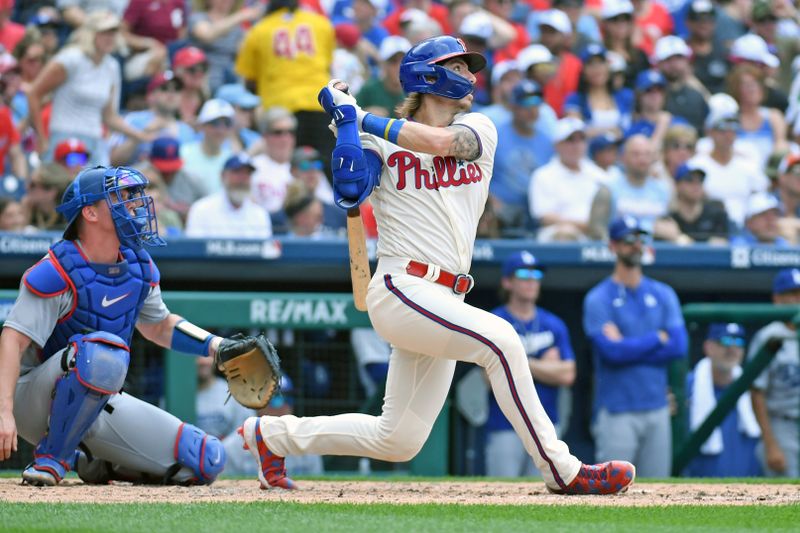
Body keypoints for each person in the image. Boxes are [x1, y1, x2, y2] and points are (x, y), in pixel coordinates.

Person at [236, 35, 635, 495]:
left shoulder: (480, 126)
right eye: (460, 67)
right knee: (502, 341)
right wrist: (347, 129)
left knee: (399, 438)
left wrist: (360, 115)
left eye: (470, 69)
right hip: (403, 285)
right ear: (428, 76)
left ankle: (272, 437)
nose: (471, 77)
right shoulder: (379, 142)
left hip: (446, 295)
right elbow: (349, 189)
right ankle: (562, 470)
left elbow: (444, 143)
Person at [0, 165, 229, 486]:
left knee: (204, 459)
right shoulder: (58, 268)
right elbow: (12, 341)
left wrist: (217, 346)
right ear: (90, 213)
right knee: (101, 352)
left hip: (98, 401)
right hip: (34, 400)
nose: (135, 204)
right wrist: (4, 412)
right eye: (122, 197)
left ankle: (94, 463)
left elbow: (159, 326)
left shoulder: (138, 264)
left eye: (135, 195)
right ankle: (51, 459)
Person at [583, 215, 687, 478]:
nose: (636, 245)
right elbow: (612, 353)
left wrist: (629, 345)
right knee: (611, 490)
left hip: (657, 407)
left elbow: (678, 347)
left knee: (658, 493)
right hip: (617, 409)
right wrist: (655, 339)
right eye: (629, 240)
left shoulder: (663, 293)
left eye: (641, 239)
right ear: (613, 246)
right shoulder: (598, 297)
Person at [484, 252, 576, 477]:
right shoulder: (495, 322)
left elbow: (567, 374)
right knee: (500, 494)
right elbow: (488, 378)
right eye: (524, 274)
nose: (531, 281)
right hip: (504, 425)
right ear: (508, 281)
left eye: (536, 275)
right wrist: (543, 365)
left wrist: (516, 362)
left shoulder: (553, 323)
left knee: (545, 494)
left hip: (546, 425)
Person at [27, 11, 151, 166]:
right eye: (104, 32)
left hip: (96, 141)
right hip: (66, 139)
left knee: (102, 186)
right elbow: (34, 93)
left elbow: (109, 116)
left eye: (113, 32)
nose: (110, 37)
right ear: (91, 34)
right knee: (71, 187)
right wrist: (41, 138)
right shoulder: (70, 59)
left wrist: (140, 135)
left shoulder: (111, 66)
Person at [235, 0, 335, 169]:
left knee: (285, 169)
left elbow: (249, 79)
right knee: (326, 169)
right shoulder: (320, 23)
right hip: (319, 104)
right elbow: (327, 65)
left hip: (280, 110)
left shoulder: (259, 30)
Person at [684, 323, 762, 477]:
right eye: (725, 341)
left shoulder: (752, 389)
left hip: (746, 484)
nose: (732, 349)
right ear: (708, 347)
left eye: (738, 342)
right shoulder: (686, 386)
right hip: (697, 485)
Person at [747, 268, 800, 478]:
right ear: (778, 299)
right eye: (792, 293)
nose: (798, 299)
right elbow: (757, 392)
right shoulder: (769, 335)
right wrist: (770, 443)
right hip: (782, 424)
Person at [689, 104, 769, 228]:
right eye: (722, 129)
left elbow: (763, 194)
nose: (728, 134)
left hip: (746, 229)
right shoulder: (696, 165)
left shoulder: (748, 166)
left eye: (733, 129)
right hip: (708, 228)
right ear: (710, 131)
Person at [492, 79, 554, 235]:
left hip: (535, 215)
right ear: (513, 107)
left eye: (536, 103)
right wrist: (491, 203)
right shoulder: (494, 135)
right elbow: (477, 174)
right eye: (526, 104)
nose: (532, 110)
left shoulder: (547, 141)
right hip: (498, 216)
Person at [530, 117, 608, 242]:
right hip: (556, 233)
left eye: (581, 139)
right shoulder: (543, 175)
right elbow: (545, 217)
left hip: (596, 234)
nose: (576, 145)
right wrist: (585, 226)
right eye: (570, 140)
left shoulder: (599, 175)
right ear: (557, 145)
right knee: (565, 233)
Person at [110, 70, 195, 167]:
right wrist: (140, 135)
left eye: (177, 89)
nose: (171, 93)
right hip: (133, 180)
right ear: (151, 95)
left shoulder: (187, 131)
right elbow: (112, 161)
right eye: (164, 88)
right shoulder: (132, 120)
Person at [185, 152, 271, 238]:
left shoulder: (260, 215)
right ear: (222, 176)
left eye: (247, 173)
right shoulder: (201, 210)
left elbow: (266, 249)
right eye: (237, 172)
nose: (242, 178)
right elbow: (194, 249)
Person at [188, 0, 265, 94]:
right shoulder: (198, 18)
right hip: (203, 79)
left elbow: (244, 53)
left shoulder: (237, 28)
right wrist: (241, 15)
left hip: (230, 82)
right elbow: (207, 34)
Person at [564, 44, 634, 139]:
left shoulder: (625, 96)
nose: (596, 68)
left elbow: (632, 128)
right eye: (590, 64)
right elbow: (576, 133)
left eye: (601, 62)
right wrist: (609, 131)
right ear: (583, 71)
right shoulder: (575, 100)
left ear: (608, 67)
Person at [652, 35, 709, 135]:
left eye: (679, 58)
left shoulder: (696, 94)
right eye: (668, 59)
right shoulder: (650, 93)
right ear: (658, 63)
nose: (674, 64)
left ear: (687, 61)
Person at [663, 163, 729, 245]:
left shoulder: (717, 214)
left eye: (700, 180)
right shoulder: (670, 217)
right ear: (677, 185)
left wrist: (688, 241)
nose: (696, 185)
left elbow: (725, 243)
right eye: (689, 180)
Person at [179, 98, 235, 193]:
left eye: (227, 123)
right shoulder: (184, 153)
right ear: (201, 126)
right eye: (215, 123)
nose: (221, 130)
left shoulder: (232, 159)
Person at [356, 36, 412, 118]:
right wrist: (365, 115)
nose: (399, 67)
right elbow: (349, 115)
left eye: (404, 61)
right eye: (393, 61)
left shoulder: (416, 92)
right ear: (384, 64)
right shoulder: (369, 89)